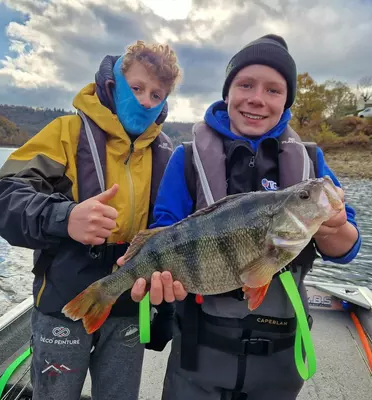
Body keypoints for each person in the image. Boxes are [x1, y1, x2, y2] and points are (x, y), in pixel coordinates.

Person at [128, 34, 361, 400]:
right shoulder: (187, 159)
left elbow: (346, 248)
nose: (257, 98)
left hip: (281, 352)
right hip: (198, 352)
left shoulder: (311, 164)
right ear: (228, 91)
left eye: (273, 90)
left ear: (286, 101)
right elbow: (164, 230)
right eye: (246, 84)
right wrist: (151, 274)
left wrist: (334, 226)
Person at [0, 40, 183, 400]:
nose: (145, 100)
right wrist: (66, 217)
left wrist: (164, 311)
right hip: (63, 302)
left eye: (157, 94)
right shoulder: (66, 132)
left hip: (128, 307)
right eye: (136, 88)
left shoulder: (167, 154)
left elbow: (171, 240)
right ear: (113, 84)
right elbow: (4, 195)